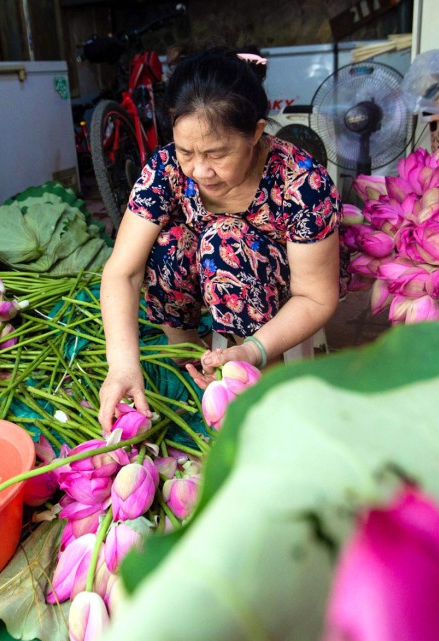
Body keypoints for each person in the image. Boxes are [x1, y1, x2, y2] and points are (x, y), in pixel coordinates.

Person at [98, 48, 344, 433]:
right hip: (206, 276)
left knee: (225, 239)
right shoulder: (165, 169)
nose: (199, 170)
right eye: (186, 151)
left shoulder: (302, 184)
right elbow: (123, 272)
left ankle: (256, 384)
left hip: (277, 297)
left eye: (217, 154)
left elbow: (316, 296)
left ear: (257, 133)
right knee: (164, 244)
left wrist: (254, 350)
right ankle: (190, 358)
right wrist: (122, 366)